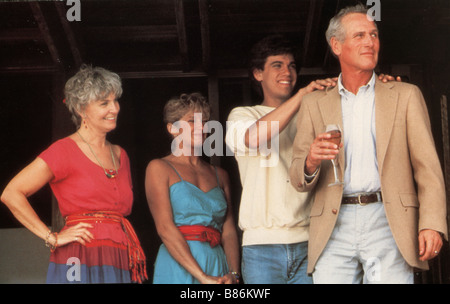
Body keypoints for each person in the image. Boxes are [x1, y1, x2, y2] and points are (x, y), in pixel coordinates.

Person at [289, 4, 447, 284]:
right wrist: (311, 160)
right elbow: (297, 179)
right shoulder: (314, 103)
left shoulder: (406, 95)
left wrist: (432, 224)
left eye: (373, 35)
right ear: (336, 45)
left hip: (388, 221)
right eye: (359, 35)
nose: (370, 42)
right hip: (333, 226)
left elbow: (428, 169)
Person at [225, 35, 401, 284]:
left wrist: (379, 89)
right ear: (257, 74)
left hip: (313, 240)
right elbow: (253, 138)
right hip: (262, 247)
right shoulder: (243, 115)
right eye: (277, 65)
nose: (287, 72)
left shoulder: (314, 112)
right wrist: (304, 95)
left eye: (292, 66)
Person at [1, 64, 147, 284]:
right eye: (104, 103)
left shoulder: (120, 154)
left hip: (117, 254)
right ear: (81, 110)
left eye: (115, 100)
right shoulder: (63, 150)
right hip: (79, 255)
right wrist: (51, 237)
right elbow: (11, 193)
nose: (115, 108)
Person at [145, 93, 240, 284]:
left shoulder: (220, 175)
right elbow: (165, 228)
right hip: (178, 263)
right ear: (172, 128)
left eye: (204, 122)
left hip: (218, 264)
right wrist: (202, 277)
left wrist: (234, 274)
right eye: (191, 121)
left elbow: (228, 231)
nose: (201, 127)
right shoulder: (159, 168)